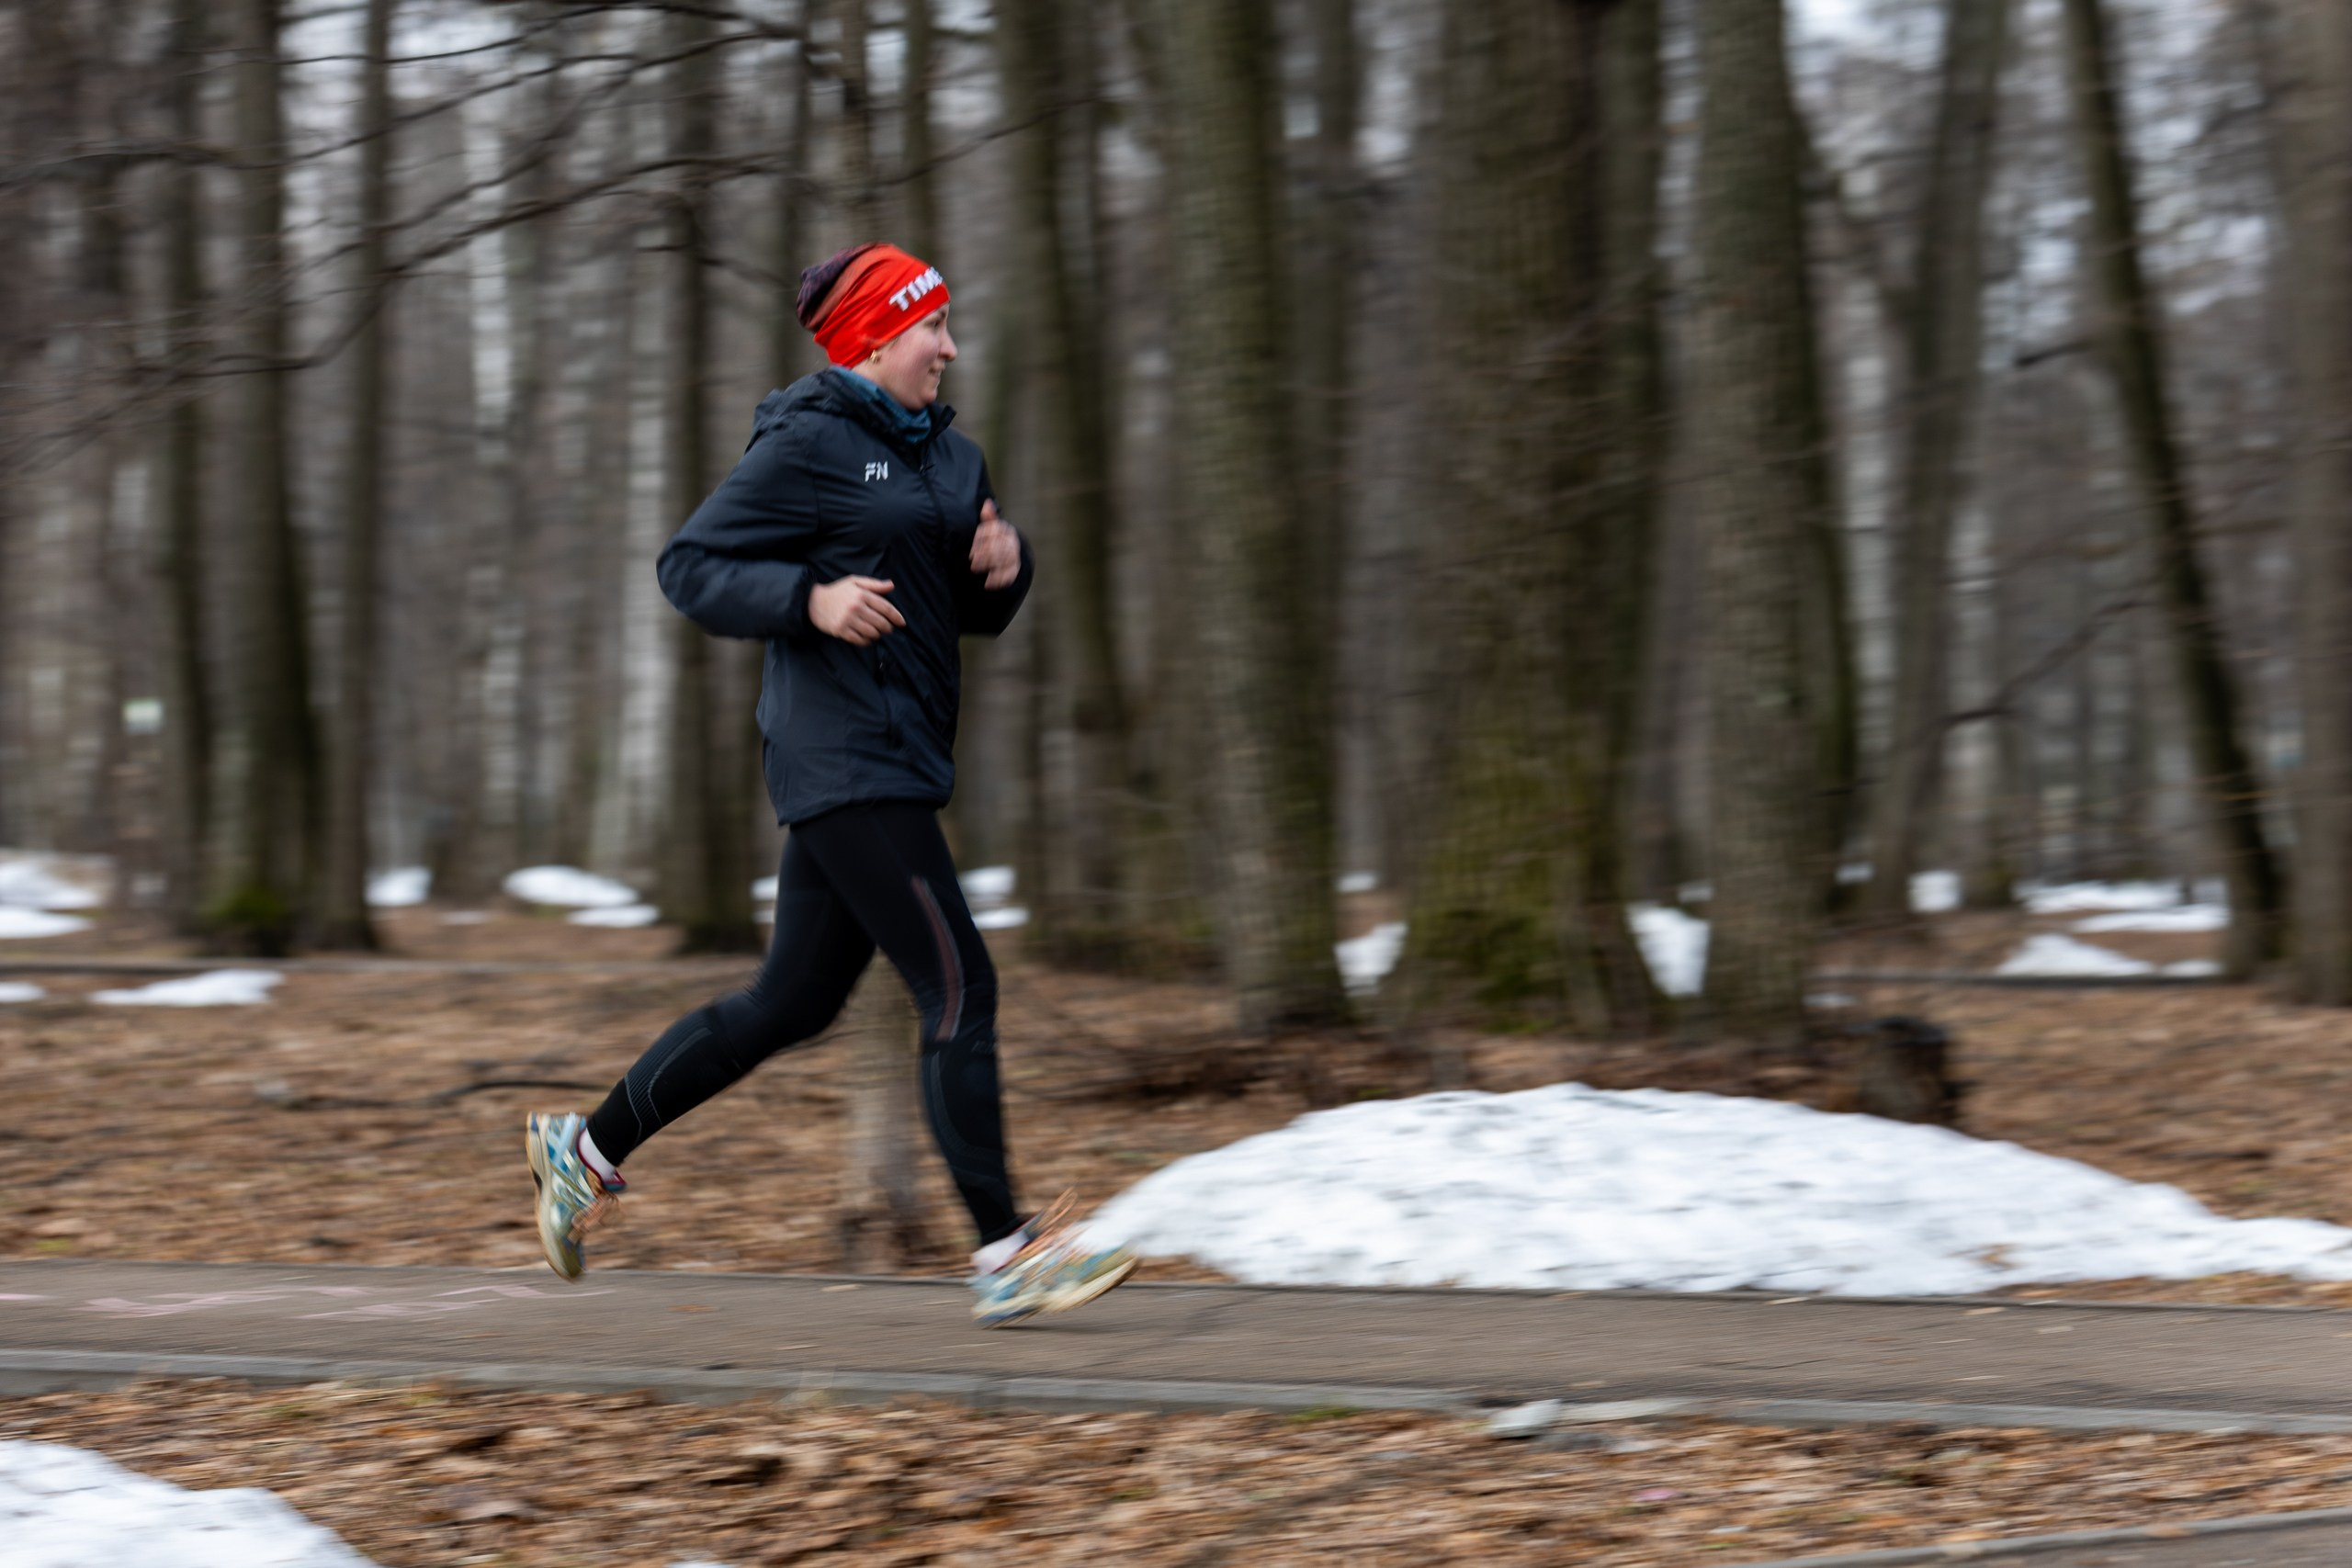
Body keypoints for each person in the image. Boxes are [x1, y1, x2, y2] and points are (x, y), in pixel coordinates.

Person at [524, 243, 1133, 1327]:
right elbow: (691, 568)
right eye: (928, 327)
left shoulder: (952, 461)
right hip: (840, 755)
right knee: (958, 990)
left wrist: (1007, 564)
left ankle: (587, 1147)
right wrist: (808, 600)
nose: (948, 346)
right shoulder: (808, 442)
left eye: (947, 325)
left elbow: (966, 611)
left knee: (791, 1001)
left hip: (903, 753)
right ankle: (1007, 1253)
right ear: (873, 337)